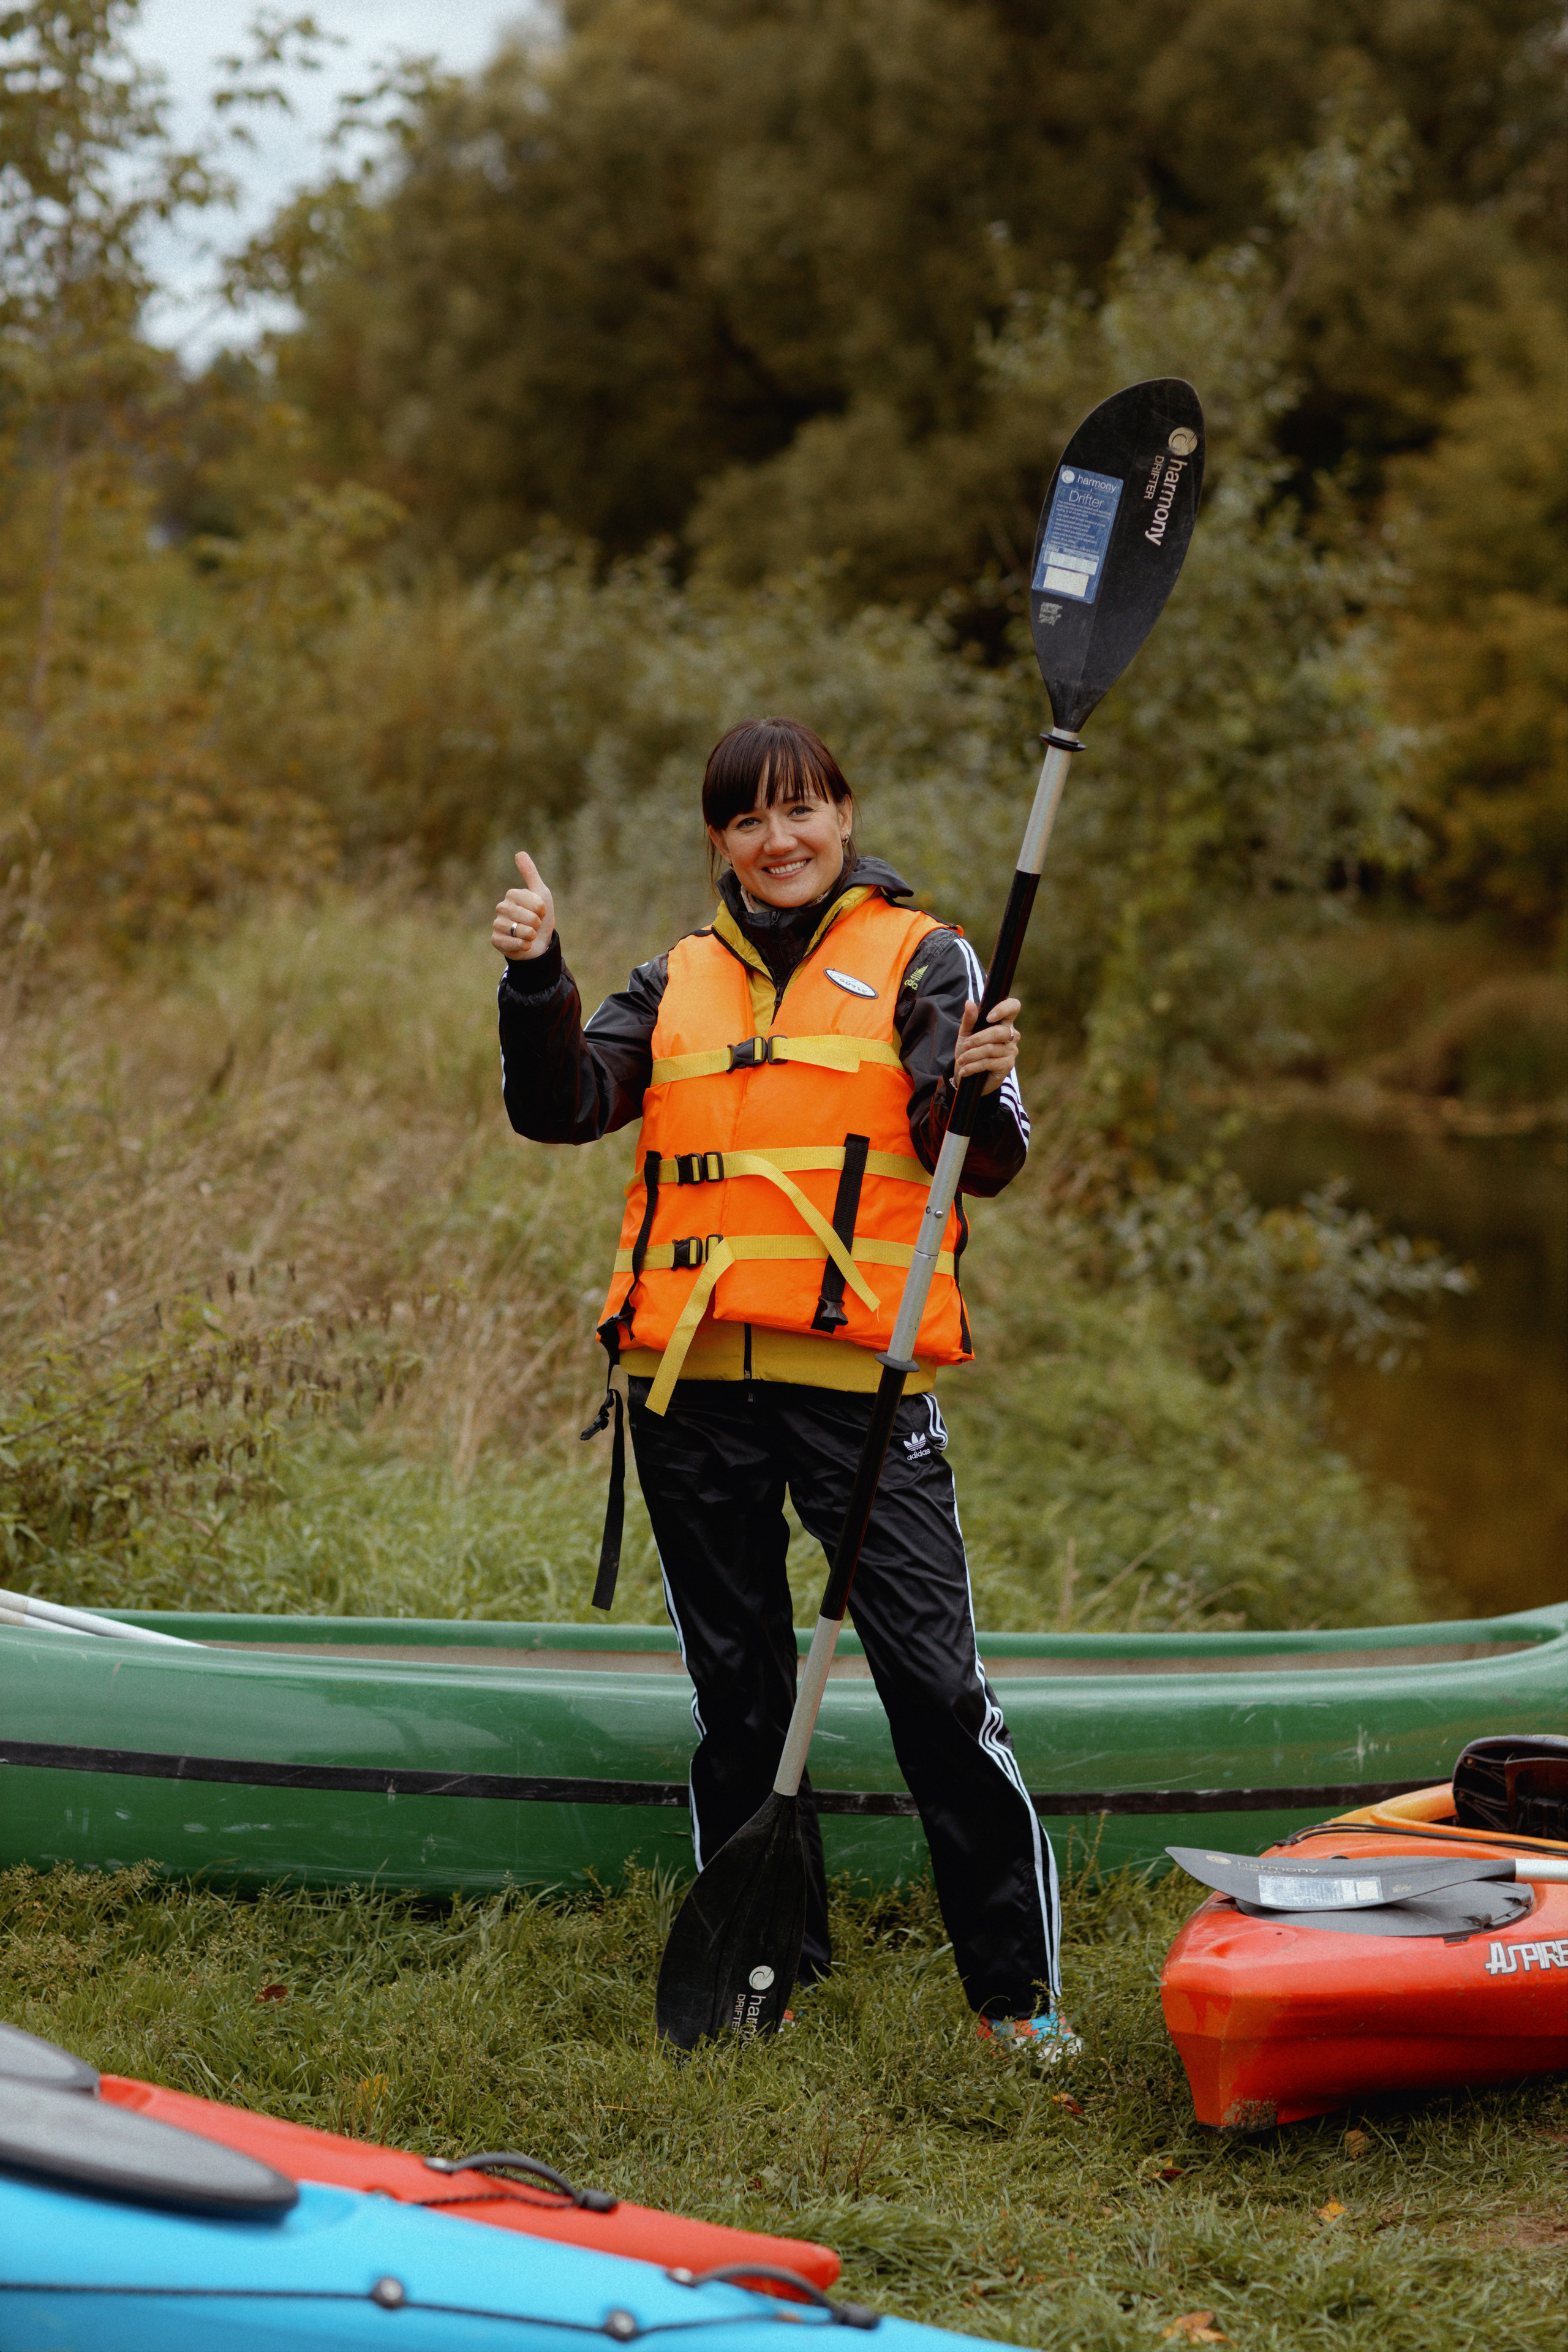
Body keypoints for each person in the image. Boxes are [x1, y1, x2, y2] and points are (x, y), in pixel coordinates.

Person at [493, 716, 1073, 2051]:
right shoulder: (669, 981)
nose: (780, 837)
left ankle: (1014, 2000)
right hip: (686, 1386)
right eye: (751, 819)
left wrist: (976, 1093)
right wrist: (538, 979)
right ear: (719, 843)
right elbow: (562, 1105)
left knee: (934, 1686)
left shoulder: (924, 960)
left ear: (844, 818)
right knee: (740, 1699)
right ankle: (770, 1968)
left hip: (853, 1385)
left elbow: (976, 1157)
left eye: (802, 810)